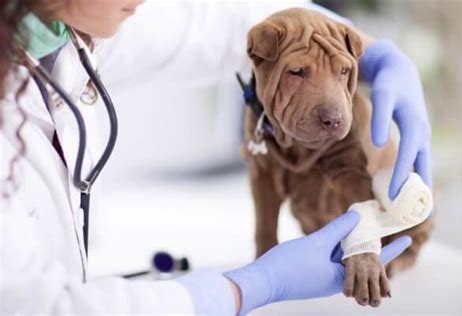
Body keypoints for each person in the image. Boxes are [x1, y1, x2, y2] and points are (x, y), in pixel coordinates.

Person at [0, 0, 430, 314]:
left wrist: (373, 53)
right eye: (300, 74)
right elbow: (41, 306)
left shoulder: (59, 25)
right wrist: (249, 287)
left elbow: (215, 25)